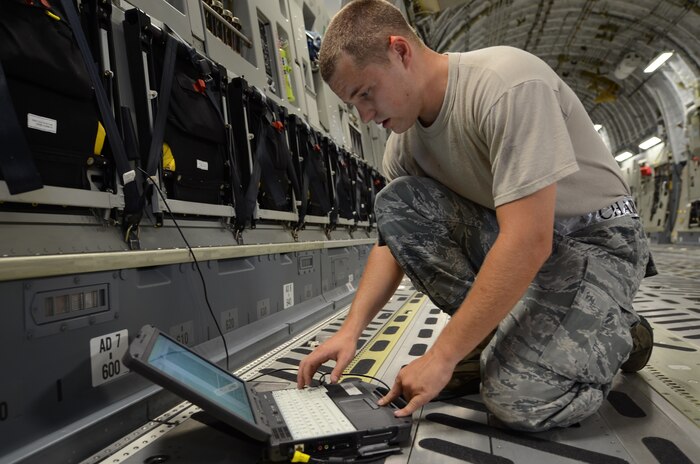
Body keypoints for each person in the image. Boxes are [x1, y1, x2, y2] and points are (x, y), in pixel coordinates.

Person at [296, 0, 655, 432]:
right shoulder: (405, 146)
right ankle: (495, 339)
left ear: (401, 52)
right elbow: (389, 247)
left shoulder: (508, 84)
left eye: (366, 94)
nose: (366, 117)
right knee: (397, 202)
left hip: (597, 241)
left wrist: (443, 355)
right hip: (532, 247)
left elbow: (529, 241)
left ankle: (621, 330)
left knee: (517, 399)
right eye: (354, 105)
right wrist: (349, 331)